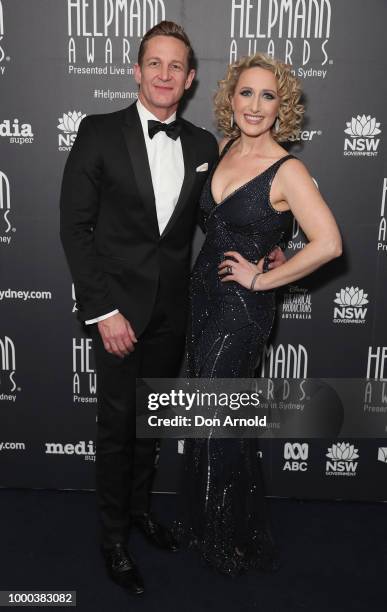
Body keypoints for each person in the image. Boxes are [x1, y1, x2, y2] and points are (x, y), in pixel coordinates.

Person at [60, 22, 285, 595]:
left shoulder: (204, 146)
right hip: (117, 312)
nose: (164, 75)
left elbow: (221, 218)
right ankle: (113, 537)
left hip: (176, 311)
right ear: (137, 71)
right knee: (116, 427)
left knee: (149, 424)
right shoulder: (98, 132)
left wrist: (272, 245)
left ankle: (139, 513)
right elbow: (75, 229)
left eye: (175, 67)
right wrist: (104, 311)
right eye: (153, 64)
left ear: (189, 80)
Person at [176, 52, 342, 576]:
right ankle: (217, 521)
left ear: (281, 106)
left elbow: (330, 244)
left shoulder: (288, 169)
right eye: (246, 93)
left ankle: (226, 540)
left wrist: (263, 277)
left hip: (243, 308)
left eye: (267, 96)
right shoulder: (222, 148)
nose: (254, 105)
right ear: (231, 98)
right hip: (202, 295)